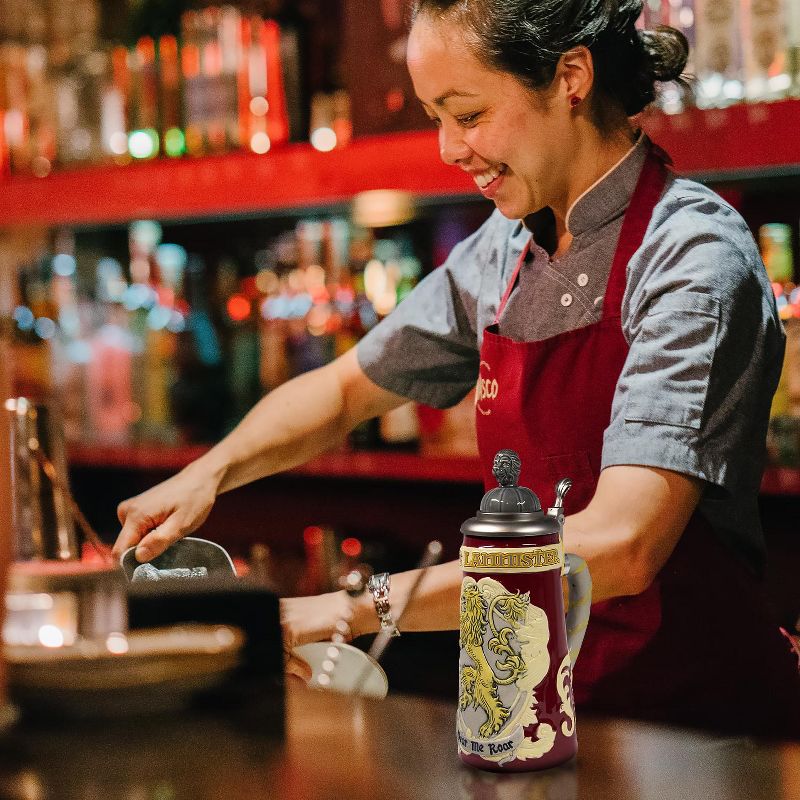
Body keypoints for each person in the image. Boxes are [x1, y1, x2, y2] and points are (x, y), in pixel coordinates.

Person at [113, 0, 800, 733]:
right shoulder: (505, 253)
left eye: (466, 114)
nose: (447, 148)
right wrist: (206, 475)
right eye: (435, 117)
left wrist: (345, 609)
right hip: (533, 706)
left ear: (570, 76)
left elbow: (625, 544)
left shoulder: (691, 257)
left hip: (694, 728)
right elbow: (346, 389)